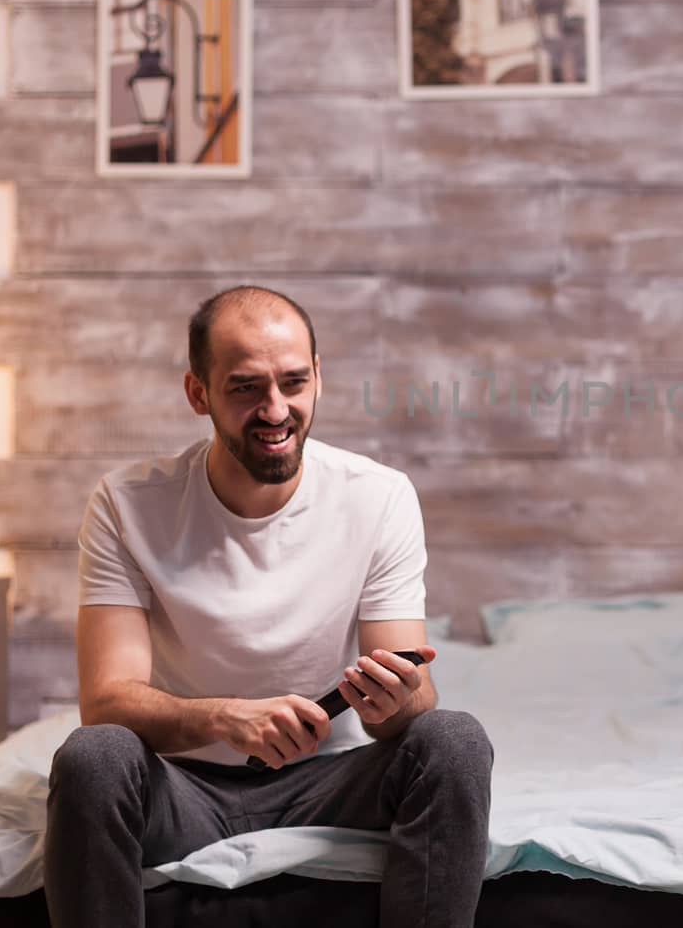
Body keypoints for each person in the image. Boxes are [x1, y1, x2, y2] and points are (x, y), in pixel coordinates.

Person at [43, 285, 494, 928]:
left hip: (333, 780)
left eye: (293, 382)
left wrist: (396, 701)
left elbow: (410, 706)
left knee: (453, 737)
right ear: (198, 394)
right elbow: (107, 702)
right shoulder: (128, 503)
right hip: (183, 788)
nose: (276, 410)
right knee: (93, 757)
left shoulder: (380, 497)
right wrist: (227, 719)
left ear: (319, 378)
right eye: (247, 388)